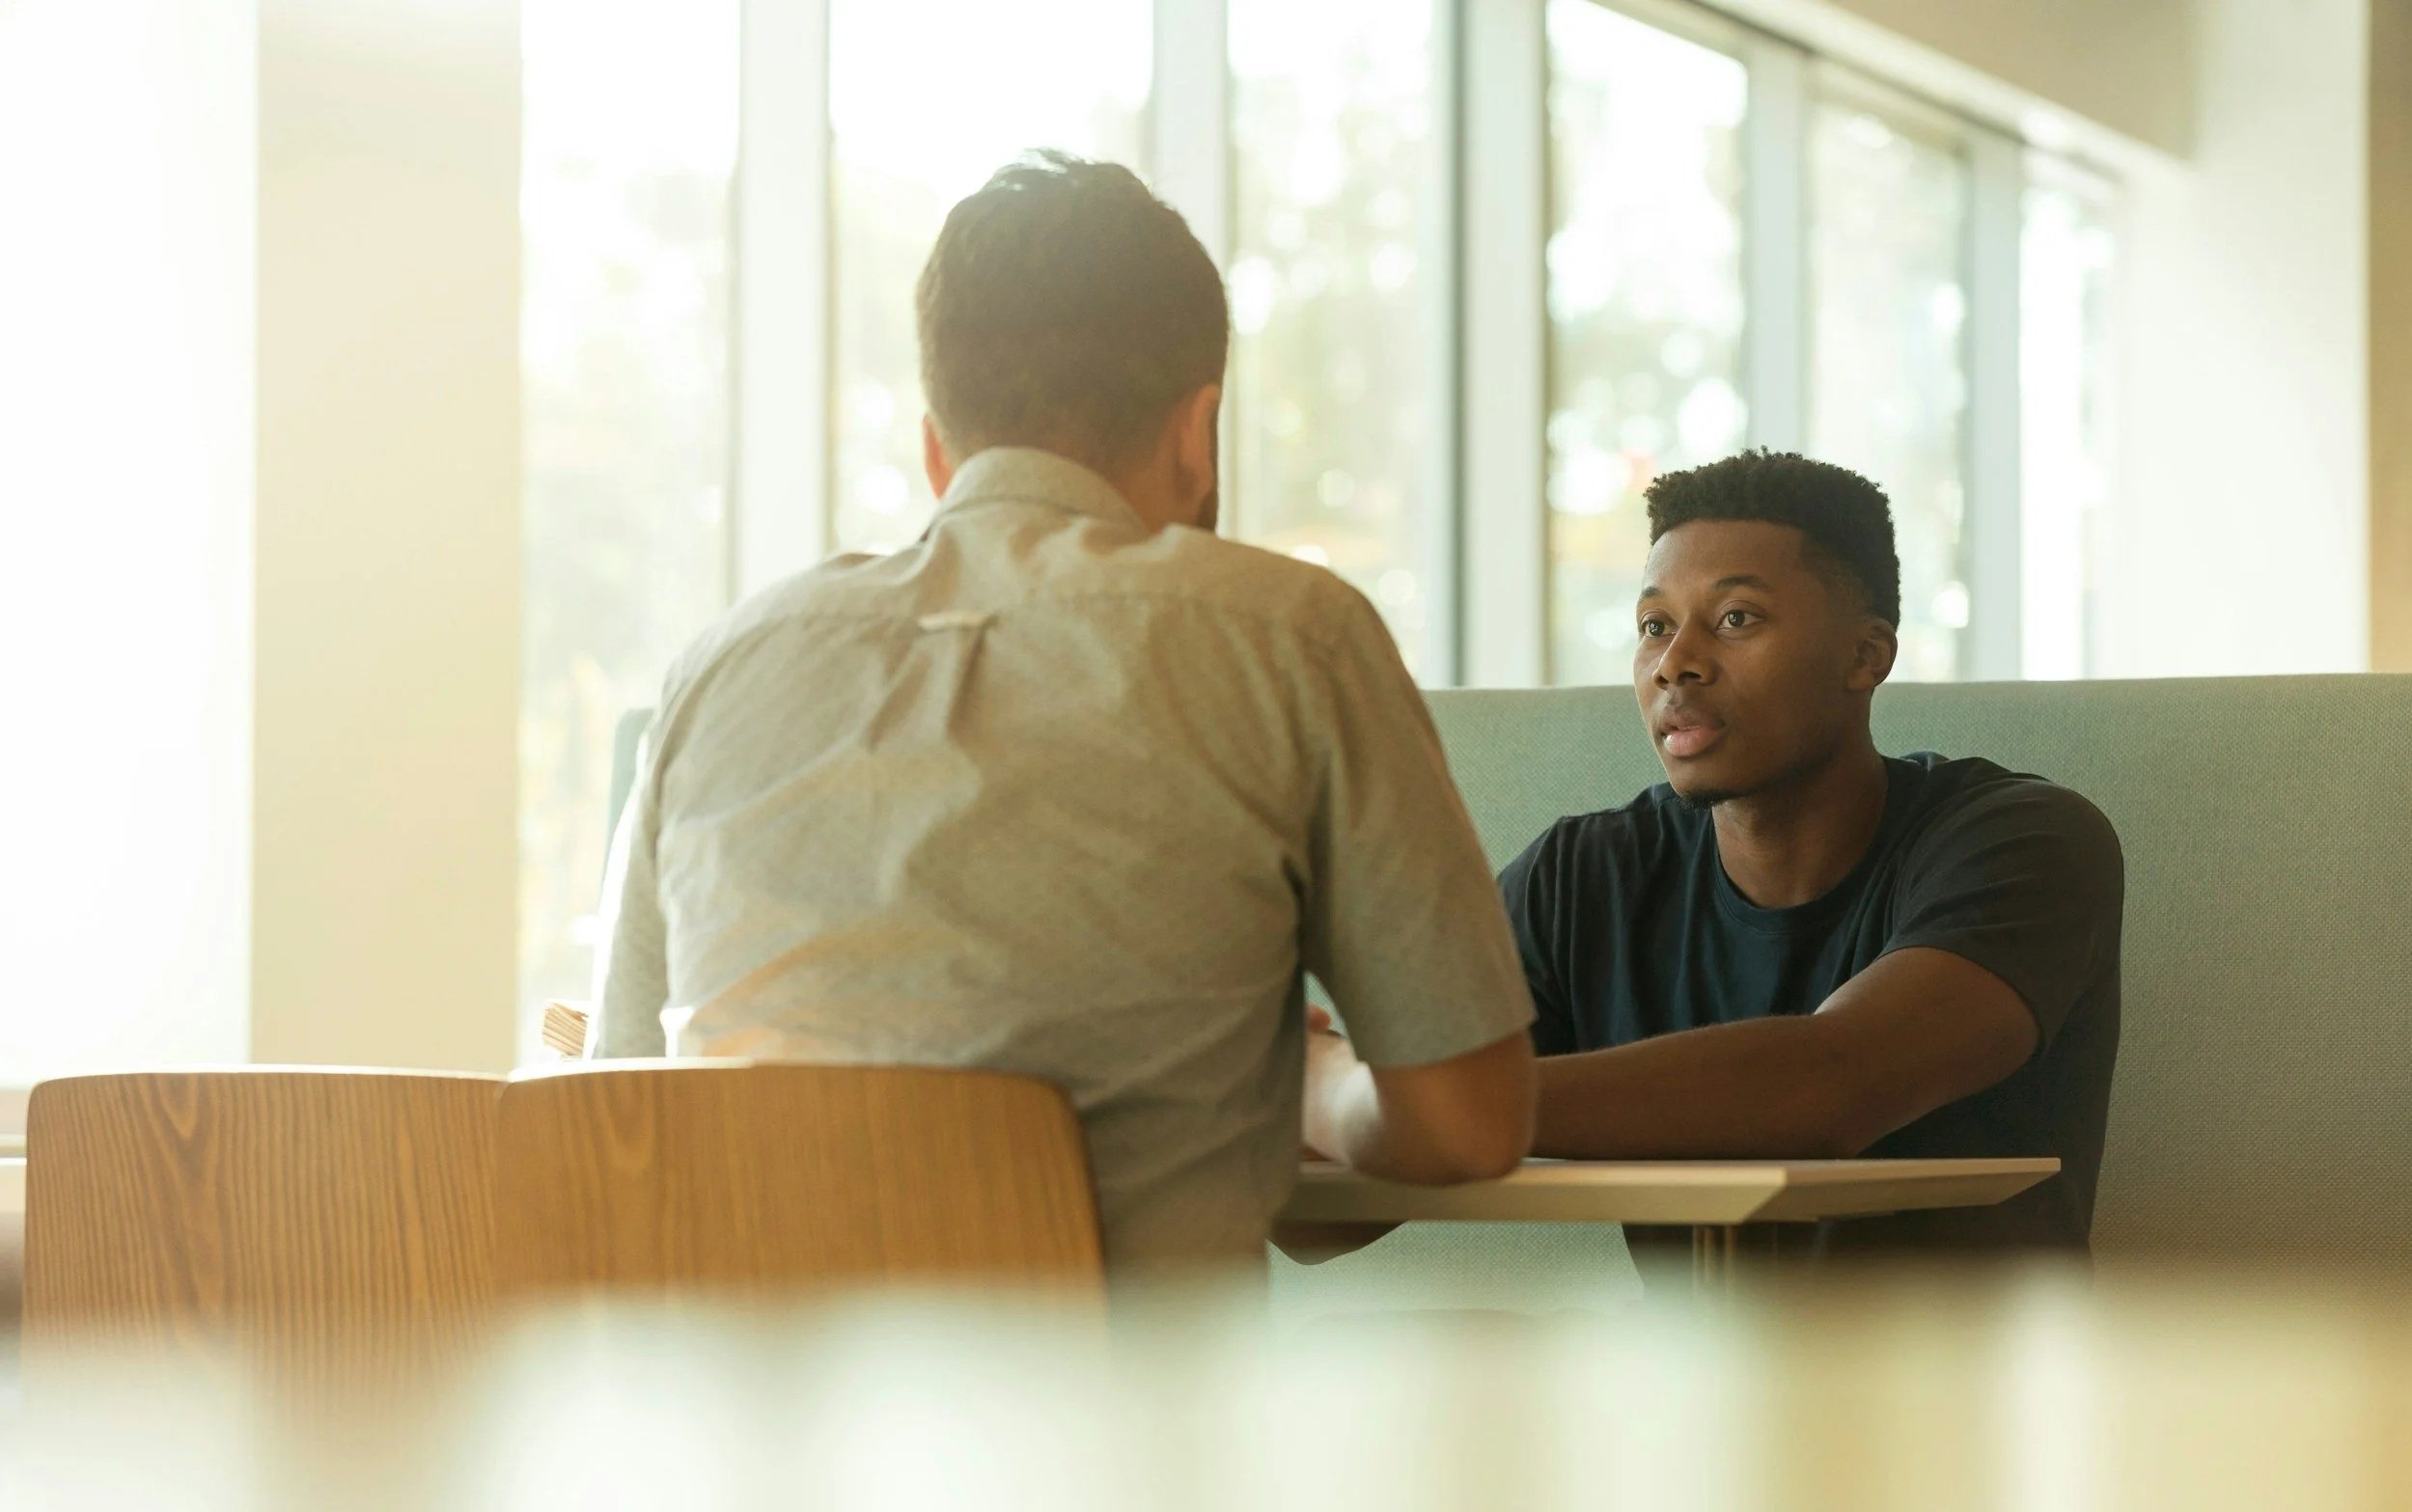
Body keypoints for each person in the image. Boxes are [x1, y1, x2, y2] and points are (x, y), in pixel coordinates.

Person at [588, 152, 1537, 1276]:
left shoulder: (718, 667)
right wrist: (1317, 1085)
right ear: (1199, 431)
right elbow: (1469, 1125)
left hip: (741, 1432)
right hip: (1123, 1435)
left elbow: (614, 1113)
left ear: (939, 448)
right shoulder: (1293, 636)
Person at [1498, 449, 2121, 1261]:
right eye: (1654, 625)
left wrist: (1420, 1104)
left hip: (1973, 1380)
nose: (1673, 663)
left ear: (1865, 656)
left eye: (1734, 620)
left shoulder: (2024, 843)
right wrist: (1323, 1096)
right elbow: (1323, 1220)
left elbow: (1828, 1087)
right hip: (1692, 1381)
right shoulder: (1580, 877)